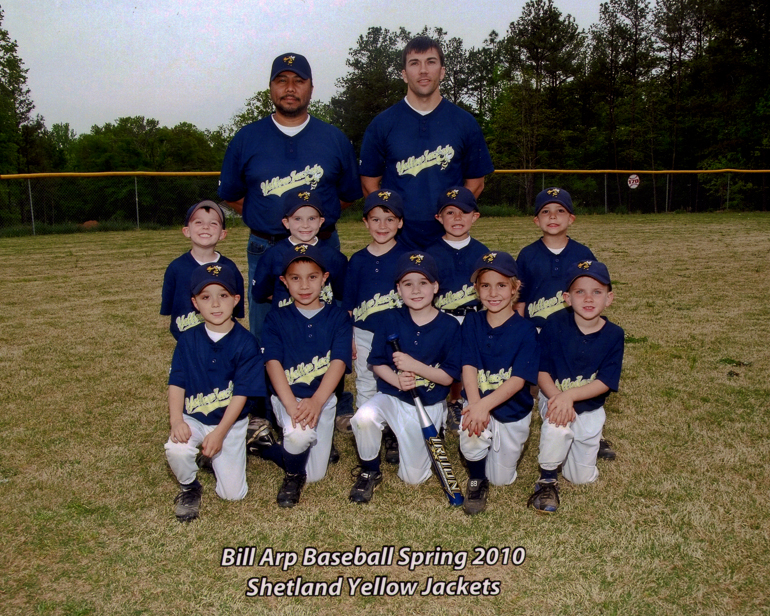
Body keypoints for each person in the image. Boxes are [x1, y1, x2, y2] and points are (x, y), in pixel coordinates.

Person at [218, 52, 362, 343]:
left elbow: (345, 196)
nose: (290, 87)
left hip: (322, 248)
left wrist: (312, 222)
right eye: (281, 80)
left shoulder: (333, 138)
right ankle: (267, 390)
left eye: (299, 80)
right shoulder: (247, 138)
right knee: (266, 335)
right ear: (271, 87)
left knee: (326, 333)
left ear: (311, 87)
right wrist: (268, 216)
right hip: (265, 246)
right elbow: (232, 195)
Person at [359, 36, 494, 250]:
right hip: (397, 239)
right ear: (404, 74)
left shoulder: (464, 122)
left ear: (442, 71)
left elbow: (476, 183)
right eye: (414, 63)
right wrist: (390, 223)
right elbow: (369, 184)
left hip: (448, 239)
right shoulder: (382, 124)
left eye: (430, 62)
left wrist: (451, 218)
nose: (423, 70)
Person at [349, 252, 461, 504]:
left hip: (428, 403)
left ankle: (429, 433)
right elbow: (376, 362)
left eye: (423, 282)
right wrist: (397, 379)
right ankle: (370, 469)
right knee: (364, 418)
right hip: (392, 396)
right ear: (398, 289)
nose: (416, 290)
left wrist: (414, 366)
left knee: (413, 478)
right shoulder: (389, 319)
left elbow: (447, 378)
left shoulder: (450, 326)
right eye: (407, 283)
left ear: (435, 286)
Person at [515, 187, 616, 461]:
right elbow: (521, 299)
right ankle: (531, 426)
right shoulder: (527, 254)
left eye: (560, 211)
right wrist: (522, 330)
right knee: (536, 380)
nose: (553, 216)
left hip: (572, 329)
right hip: (537, 328)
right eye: (545, 211)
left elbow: (592, 290)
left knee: (577, 375)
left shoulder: (583, 252)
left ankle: (591, 431)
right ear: (536, 220)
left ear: (571, 218)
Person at [164, 262, 265, 522]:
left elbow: (242, 393)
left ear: (236, 299)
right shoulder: (188, 339)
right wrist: (177, 421)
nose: (216, 304)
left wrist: (220, 433)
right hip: (195, 417)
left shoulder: (246, 342)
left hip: (229, 423)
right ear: (195, 303)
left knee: (233, 495)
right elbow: (177, 381)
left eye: (223, 295)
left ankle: (224, 453)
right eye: (206, 297)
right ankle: (190, 486)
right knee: (177, 449)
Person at [527, 261, 624, 514]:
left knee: (580, 477)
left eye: (597, 291)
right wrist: (559, 398)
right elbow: (542, 371)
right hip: (554, 396)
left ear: (609, 298)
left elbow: (605, 382)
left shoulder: (614, 334)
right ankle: (547, 480)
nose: (588, 298)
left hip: (589, 408)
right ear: (567, 298)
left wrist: (570, 395)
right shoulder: (554, 324)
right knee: (558, 420)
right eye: (580, 291)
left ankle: (576, 449)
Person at [260, 245, 352, 508]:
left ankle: (265, 448)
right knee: (300, 442)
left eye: (312, 277)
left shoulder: (337, 317)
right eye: (295, 278)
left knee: (317, 475)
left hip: (322, 399)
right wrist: (290, 405)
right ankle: (292, 474)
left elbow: (338, 361)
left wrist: (317, 401)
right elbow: (273, 363)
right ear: (284, 282)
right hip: (288, 397)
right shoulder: (276, 318)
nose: (304, 285)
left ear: (325, 278)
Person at [459, 252, 540, 516]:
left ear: (516, 288)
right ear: (476, 289)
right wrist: (475, 405)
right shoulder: (471, 321)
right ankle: (475, 478)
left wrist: (485, 405)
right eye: (485, 285)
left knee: (502, 479)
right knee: (472, 429)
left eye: (502, 285)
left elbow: (518, 380)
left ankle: (489, 462)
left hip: (512, 410)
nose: (493, 292)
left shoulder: (526, 330)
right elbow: (468, 365)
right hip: (477, 399)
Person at [341, 190, 409, 463]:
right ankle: (366, 432)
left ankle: (394, 432)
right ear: (365, 222)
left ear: (400, 222)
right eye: (375, 219)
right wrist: (351, 337)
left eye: (389, 219)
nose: (382, 226)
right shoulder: (357, 260)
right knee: (367, 382)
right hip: (366, 333)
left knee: (399, 383)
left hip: (399, 334)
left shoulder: (408, 257)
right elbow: (349, 304)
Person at [427, 186, 489, 430]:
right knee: (444, 361)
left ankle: (466, 399)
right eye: (450, 213)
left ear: (475, 216)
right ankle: (449, 401)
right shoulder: (430, 253)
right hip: (442, 316)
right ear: (439, 218)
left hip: (473, 316)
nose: (457, 218)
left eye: (464, 212)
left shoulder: (483, 253)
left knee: (471, 361)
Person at [160, 200, 244, 340]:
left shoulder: (229, 268)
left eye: (213, 223)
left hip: (221, 338)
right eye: (198, 222)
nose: (206, 227)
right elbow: (168, 306)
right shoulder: (176, 268)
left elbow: (236, 307)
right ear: (186, 231)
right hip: (185, 339)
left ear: (223, 234)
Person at [251, 188, 347, 310]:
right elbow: (261, 293)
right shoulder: (272, 255)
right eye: (297, 219)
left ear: (321, 222)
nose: (305, 225)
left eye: (312, 218)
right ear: (286, 222)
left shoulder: (334, 257)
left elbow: (342, 294)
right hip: (286, 323)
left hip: (322, 323)